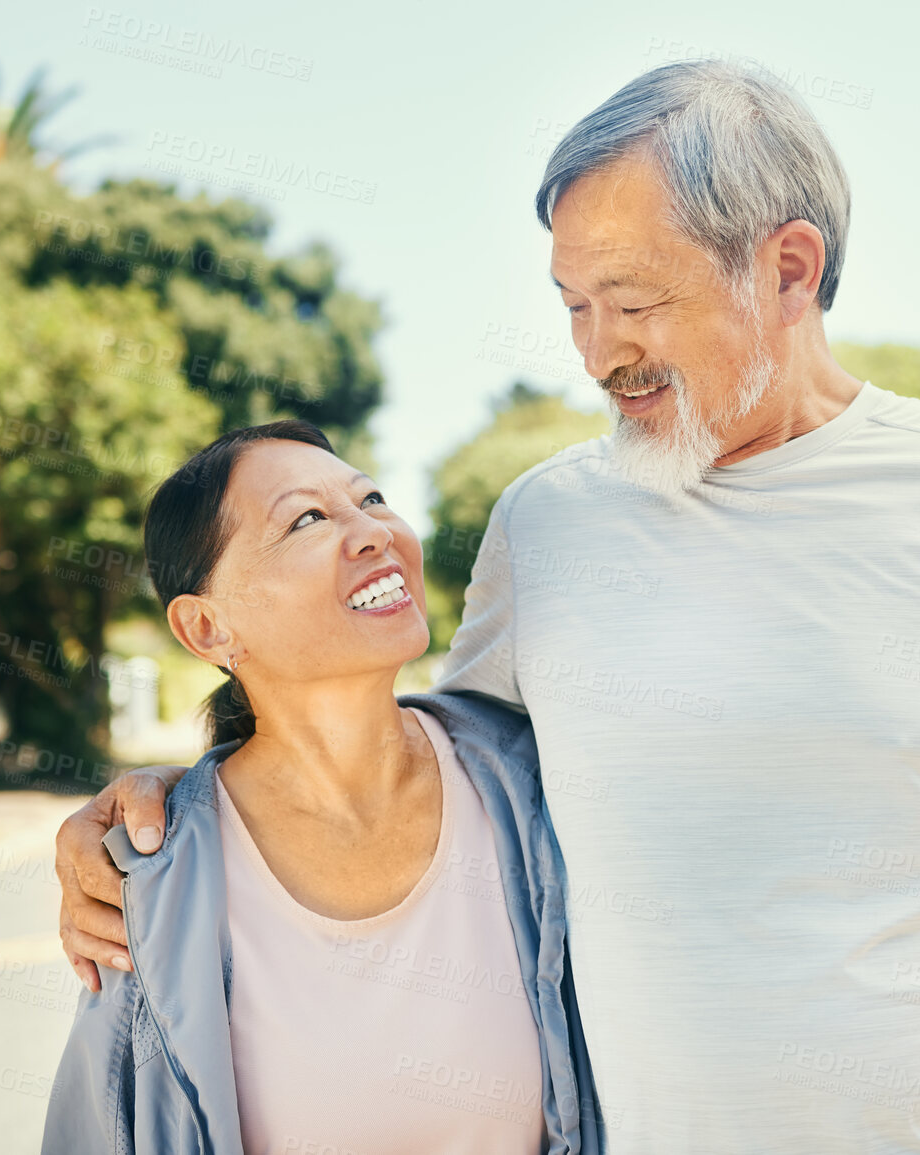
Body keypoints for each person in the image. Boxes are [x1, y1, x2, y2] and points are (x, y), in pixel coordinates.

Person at [57, 60, 920, 1153]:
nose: (598, 354)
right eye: (572, 305)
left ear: (788, 268)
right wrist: (162, 813)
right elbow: (410, 773)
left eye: (634, 301)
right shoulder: (543, 527)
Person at [43, 420, 600, 1154]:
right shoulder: (156, 884)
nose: (372, 531)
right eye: (306, 518)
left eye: (371, 498)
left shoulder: (532, 784)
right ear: (207, 627)